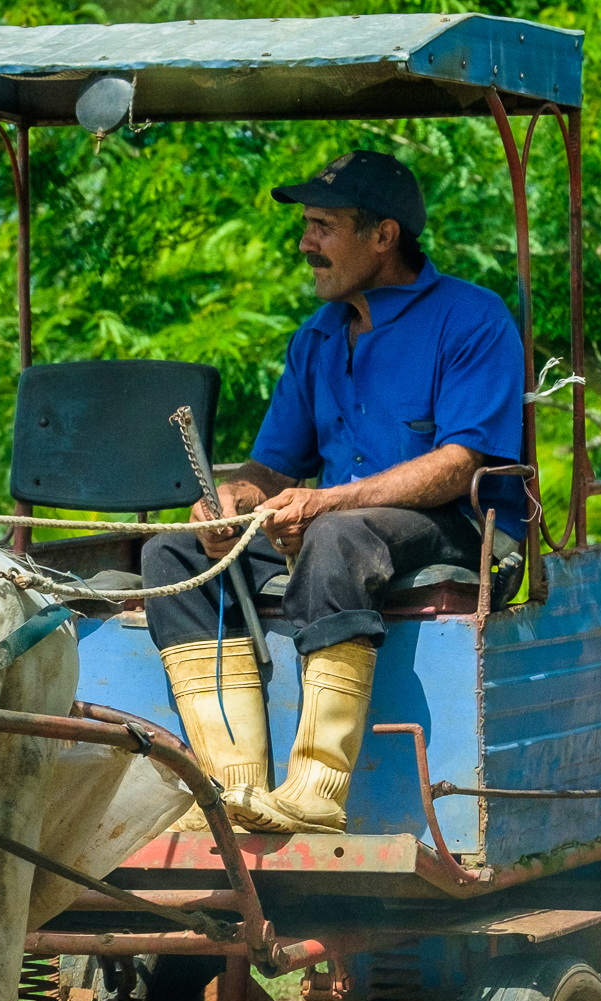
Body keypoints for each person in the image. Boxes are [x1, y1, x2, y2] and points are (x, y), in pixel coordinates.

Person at [143, 150, 527, 835]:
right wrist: (229, 499)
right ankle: (233, 790)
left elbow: (458, 465)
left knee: (335, 533)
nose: (305, 243)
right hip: (344, 534)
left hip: (463, 529)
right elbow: (272, 469)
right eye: (306, 226)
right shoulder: (316, 336)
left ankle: (317, 791)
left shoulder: (472, 317)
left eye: (322, 226)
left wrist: (324, 503)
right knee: (173, 553)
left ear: (383, 236)